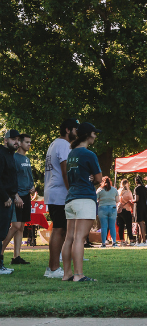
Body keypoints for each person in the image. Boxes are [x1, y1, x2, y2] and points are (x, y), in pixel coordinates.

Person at [62, 122, 102, 281]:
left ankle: (67, 274)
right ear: (88, 134)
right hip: (85, 198)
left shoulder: (71, 154)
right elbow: (99, 178)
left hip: (71, 198)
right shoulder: (89, 154)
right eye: (94, 133)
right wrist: (92, 178)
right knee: (79, 238)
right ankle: (79, 275)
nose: (95, 136)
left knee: (69, 237)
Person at [43, 118, 79, 278]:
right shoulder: (64, 145)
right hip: (60, 193)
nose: (77, 133)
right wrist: (71, 191)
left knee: (61, 228)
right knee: (59, 229)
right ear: (67, 130)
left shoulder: (54, 144)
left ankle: (54, 267)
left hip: (54, 192)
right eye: (75, 130)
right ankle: (53, 268)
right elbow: (66, 171)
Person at [2, 133, 35, 266]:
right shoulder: (14, 157)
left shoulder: (26, 159)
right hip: (17, 195)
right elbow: (12, 177)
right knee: (15, 226)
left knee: (21, 226)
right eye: (27, 142)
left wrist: (32, 186)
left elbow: (28, 175)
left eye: (29, 142)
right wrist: (16, 195)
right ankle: (1, 252)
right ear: (20, 143)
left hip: (26, 195)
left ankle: (17, 257)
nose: (29, 144)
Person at [0, 129, 20, 275]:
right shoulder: (1, 154)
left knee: (2, 232)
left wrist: (14, 195)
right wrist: (5, 196)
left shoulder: (10, 155)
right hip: (3, 200)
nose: (16, 142)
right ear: (5, 140)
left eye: (18, 139)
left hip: (8, 198)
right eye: (13, 139)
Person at [96, 176, 119, 248]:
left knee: (104, 227)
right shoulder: (114, 190)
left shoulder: (100, 190)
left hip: (102, 208)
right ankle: (114, 242)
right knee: (112, 226)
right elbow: (117, 200)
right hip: (112, 208)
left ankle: (103, 243)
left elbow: (96, 199)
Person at [116, 179, 134, 246]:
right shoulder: (128, 192)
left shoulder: (118, 191)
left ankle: (121, 240)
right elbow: (131, 201)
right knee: (129, 226)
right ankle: (131, 240)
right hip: (126, 209)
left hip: (119, 210)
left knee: (121, 226)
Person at [132, 175, 147, 246]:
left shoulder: (137, 189)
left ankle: (143, 240)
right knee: (142, 224)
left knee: (140, 224)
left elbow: (136, 199)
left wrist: (132, 200)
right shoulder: (145, 188)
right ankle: (140, 240)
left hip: (138, 207)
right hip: (144, 206)